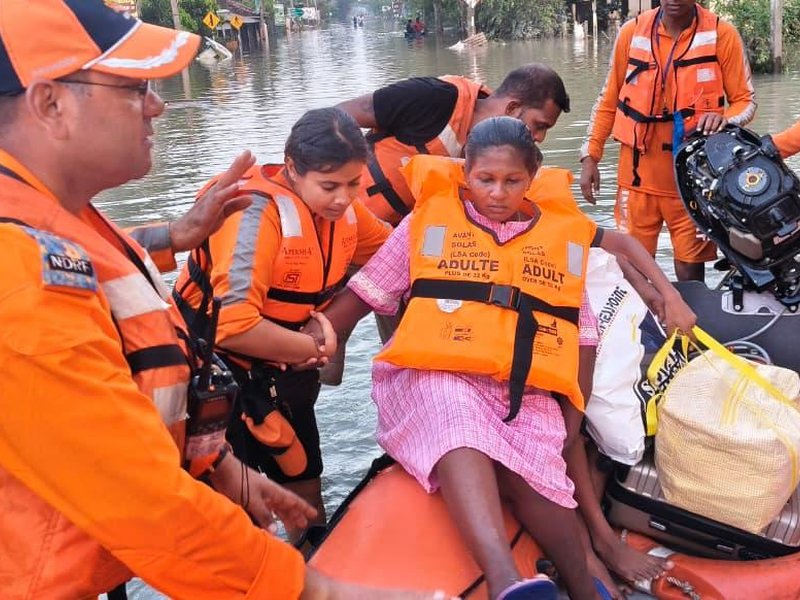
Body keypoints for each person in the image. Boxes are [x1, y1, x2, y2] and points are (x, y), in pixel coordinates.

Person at [0, 2, 451, 599]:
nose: (157, 104)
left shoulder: (59, 222)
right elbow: (137, 499)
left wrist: (220, 466)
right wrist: (318, 591)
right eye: (135, 89)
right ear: (50, 103)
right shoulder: (22, 271)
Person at [311, 117, 695, 600]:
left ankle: (584, 582)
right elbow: (359, 299)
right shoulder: (426, 222)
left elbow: (582, 338)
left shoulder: (558, 238)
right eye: (484, 180)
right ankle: (504, 580)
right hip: (435, 377)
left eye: (512, 181)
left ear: (532, 177)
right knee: (455, 412)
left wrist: (571, 422)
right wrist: (304, 342)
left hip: (519, 390)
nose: (497, 193)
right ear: (465, 173)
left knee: (538, 476)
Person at [173, 107, 393, 540]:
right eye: (328, 186)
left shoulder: (344, 212)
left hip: (284, 372)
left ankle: (310, 561)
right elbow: (234, 325)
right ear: (292, 169)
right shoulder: (253, 213)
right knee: (229, 506)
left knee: (306, 484)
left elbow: (397, 254)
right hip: (214, 375)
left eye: (353, 184)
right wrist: (317, 349)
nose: (343, 198)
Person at [579, 0, 757, 282]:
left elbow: (745, 101)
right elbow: (608, 100)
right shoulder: (631, 32)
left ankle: (687, 325)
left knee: (689, 269)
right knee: (632, 267)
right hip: (636, 178)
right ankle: (642, 324)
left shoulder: (721, 34)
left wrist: (725, 119)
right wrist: (591, 155)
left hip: (692, 180)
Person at [337, 63, 568, 227]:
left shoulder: (513, 157)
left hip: (392, 235)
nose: (539, 138)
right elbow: (338, 116)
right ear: (512, 108)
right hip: (341, 214)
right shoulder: (433, 97)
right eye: (539, 125)